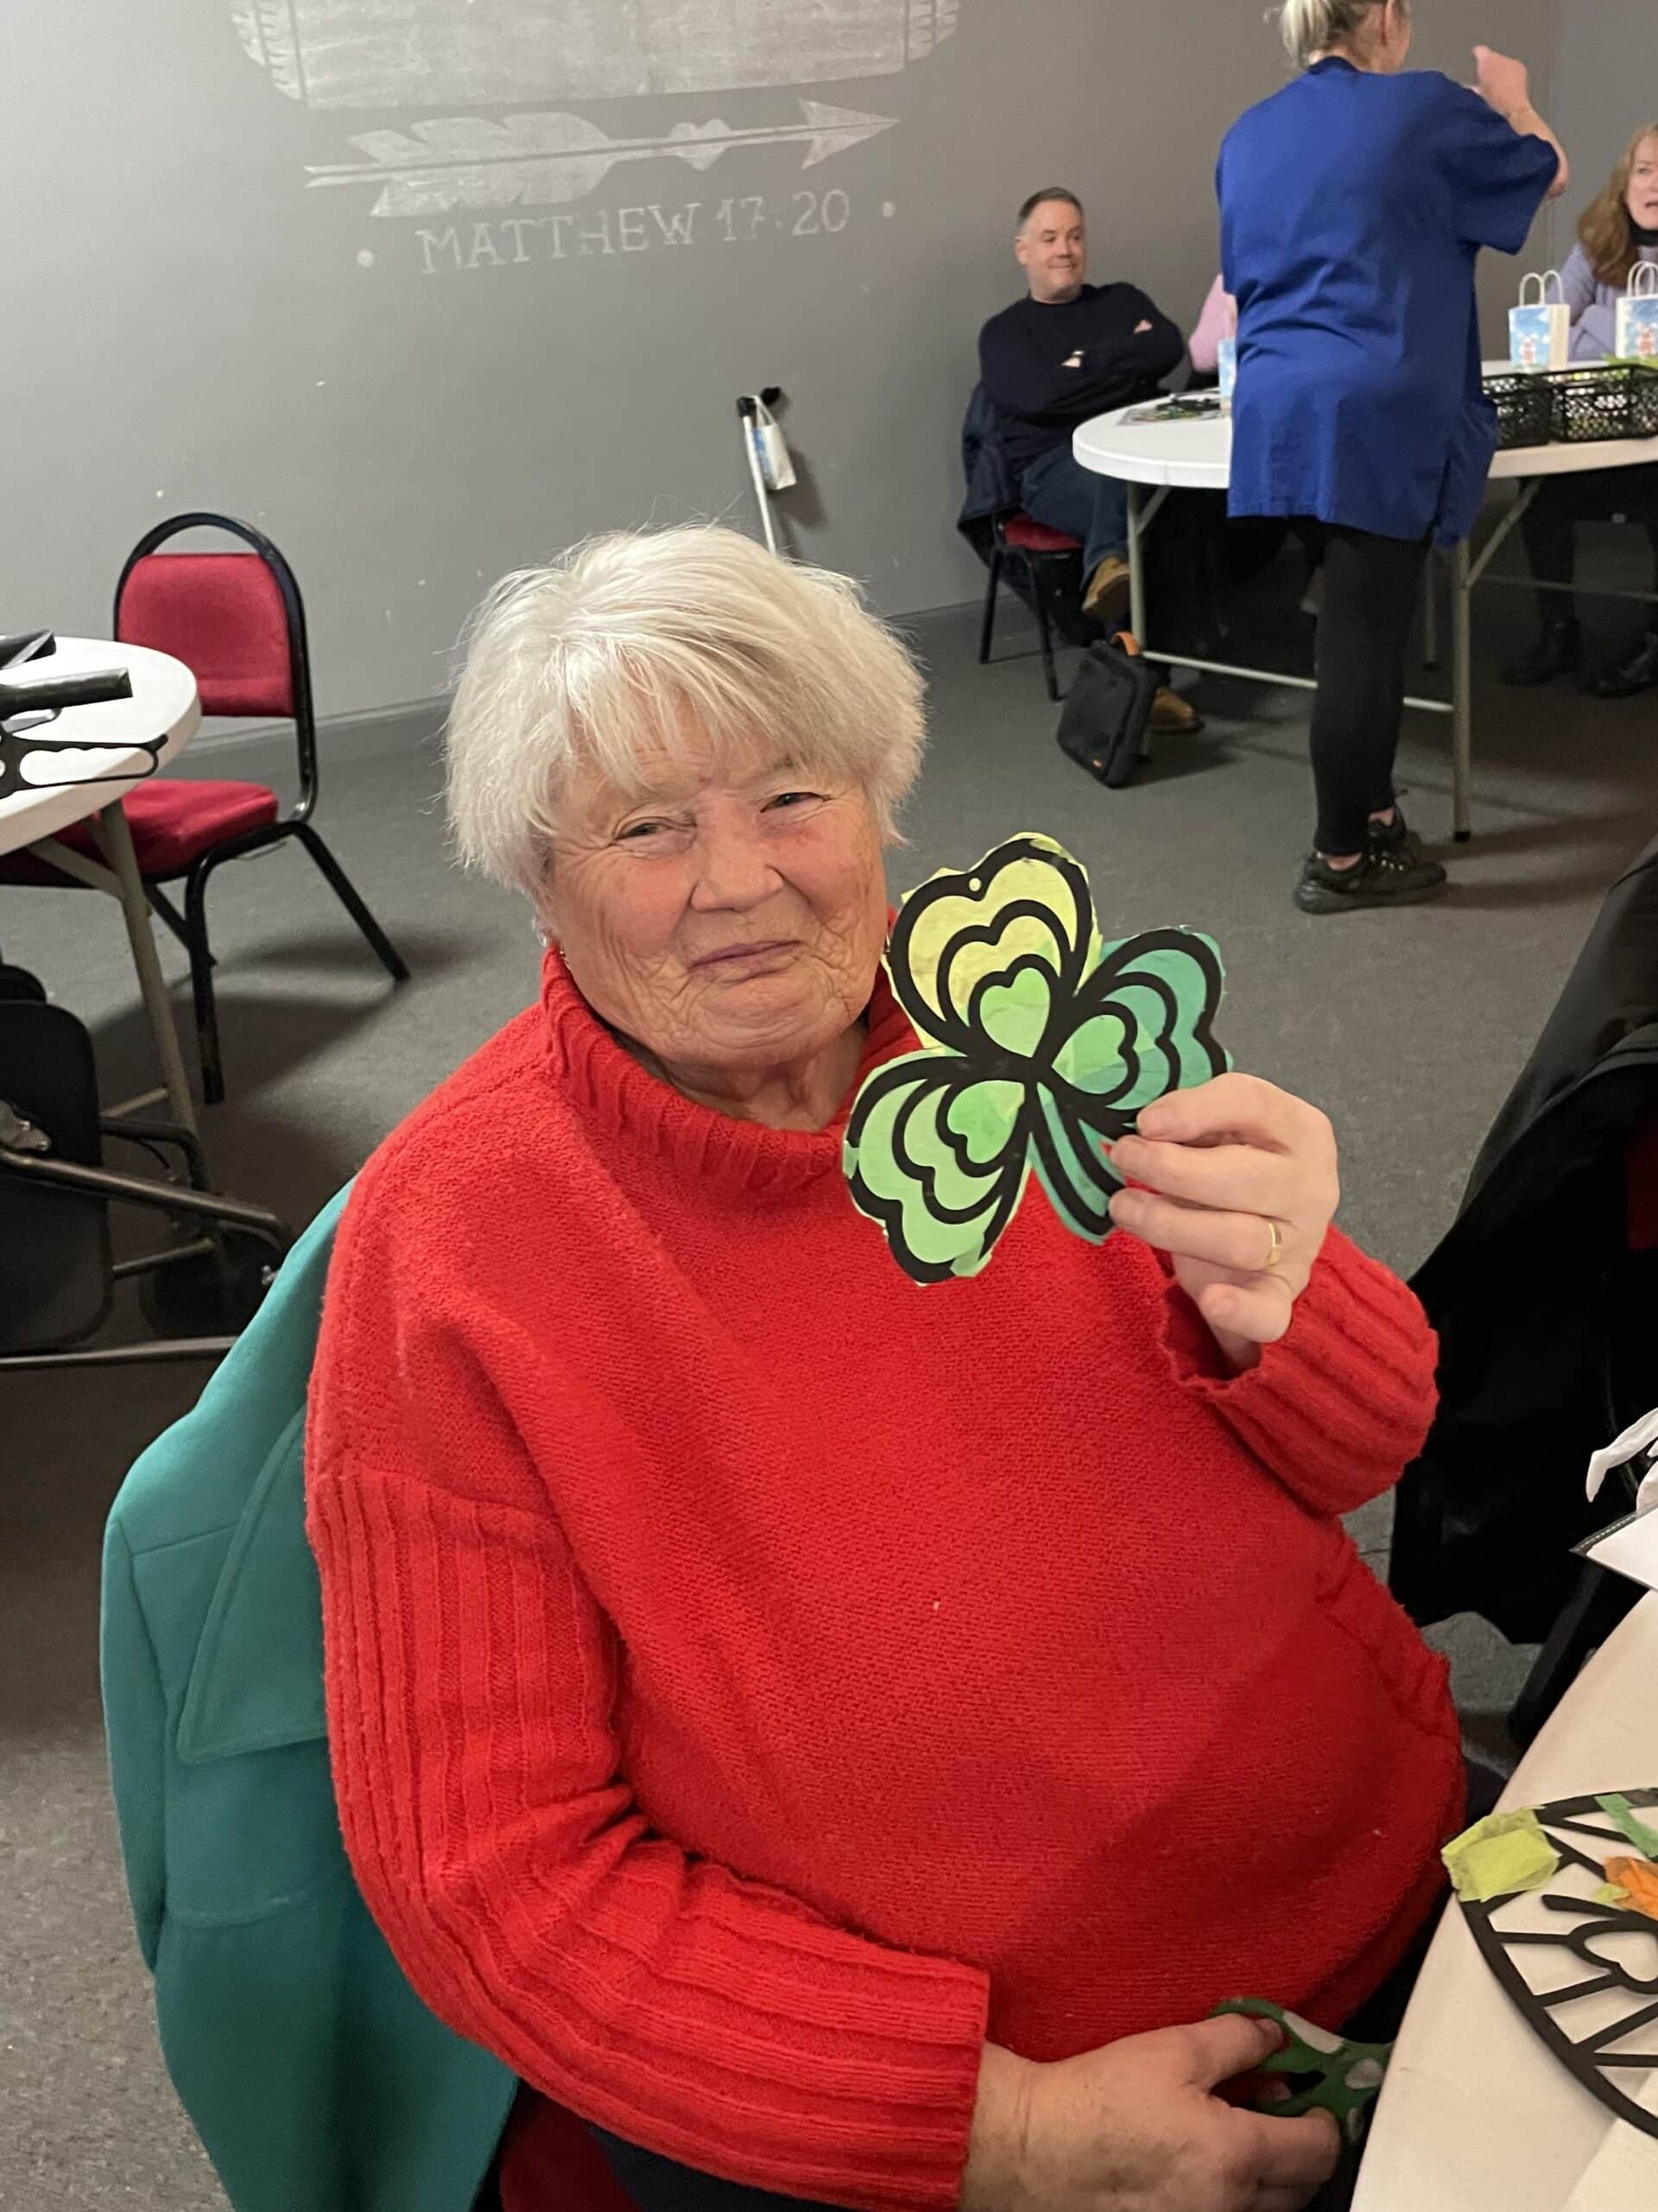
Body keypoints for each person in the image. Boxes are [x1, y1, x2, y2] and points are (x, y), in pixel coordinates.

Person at [308, 522, 1470, 2212]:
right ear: (535, 876)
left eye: (792, 793)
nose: (736, 877)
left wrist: (1287, 1294)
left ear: (884, 801)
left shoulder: (1020, 1021)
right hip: (991, 2113)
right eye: (646, 827)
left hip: (1389, 1870)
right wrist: (1003, 2133)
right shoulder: (458, 1252)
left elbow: (1376, 1436)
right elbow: (495, 1879)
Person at [1219, 1, 1566, 916]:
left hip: (1278, 408)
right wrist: (1515, 100)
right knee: (1363, 639)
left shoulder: (1249, 133)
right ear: (1383, 15)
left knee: (1357, 619)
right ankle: (1339, 861)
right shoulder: (1426, 107)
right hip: (1375, 406)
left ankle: (1371, 813)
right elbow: (1548, 173)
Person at [977, 189, 1202, 739]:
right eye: (1050, 238)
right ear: (1022, 250)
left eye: (1075, 236)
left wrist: (1086, 361)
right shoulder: (1006, 333)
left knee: (1162, 497)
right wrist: (1121, 367)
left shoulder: (1121, 301)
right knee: (1124, 489)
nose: (1065, 250)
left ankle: (1121, 610)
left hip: (1141, 450)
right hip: (1053, 468)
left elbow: (1168, 348)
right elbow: (1036, 399)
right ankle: (1142, 669)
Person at [1503, 122, 1658, 699]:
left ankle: (1654, 636)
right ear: (1624, 182)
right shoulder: (1597, 241)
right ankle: (1558, 628)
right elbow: (1546, 329)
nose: (1653, 185)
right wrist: (1618, 332)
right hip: (1594, 430)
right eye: (1643, 170)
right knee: (1538, 484)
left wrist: (1592, 324)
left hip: (1655, 445)